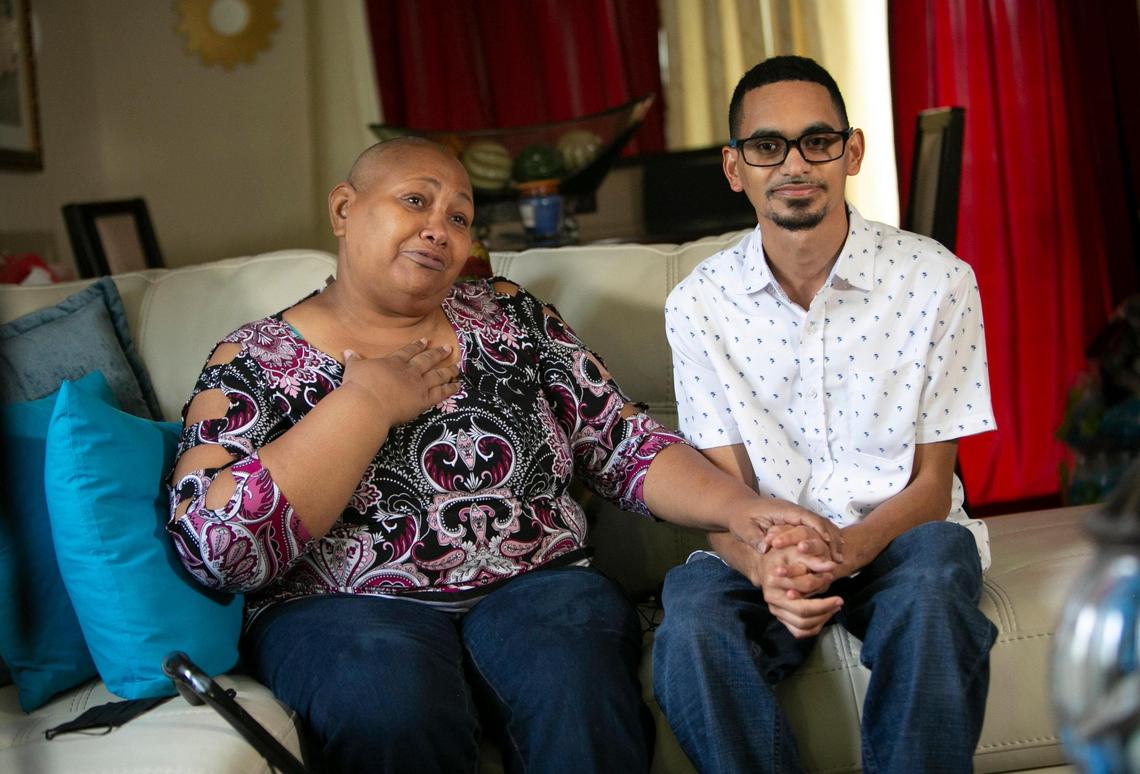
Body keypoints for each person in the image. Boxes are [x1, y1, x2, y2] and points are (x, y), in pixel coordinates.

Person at [165, 136, 841, 774]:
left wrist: (742, 510)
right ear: (344, 208)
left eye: (459, 217)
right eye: (415, 201)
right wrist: (363, 404)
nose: (439, 229)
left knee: (574, 687)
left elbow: (623, 442)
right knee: (389, 705)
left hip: (538, 586)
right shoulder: (253, 358)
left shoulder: (512, 318)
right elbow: (216, 549)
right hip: (341, 608)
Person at [652, 55, 999, 773]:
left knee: (937, 576)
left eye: (817, 141)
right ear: (734, 167)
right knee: (691, 615)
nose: (794, 164)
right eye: (766, 146)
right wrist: (766, 566)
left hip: (898, 538)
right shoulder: (698, 305)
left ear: (852, 151)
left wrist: (845, 549)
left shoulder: (938, 280)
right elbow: (722, 503)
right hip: (767, 550)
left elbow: (934, 488)